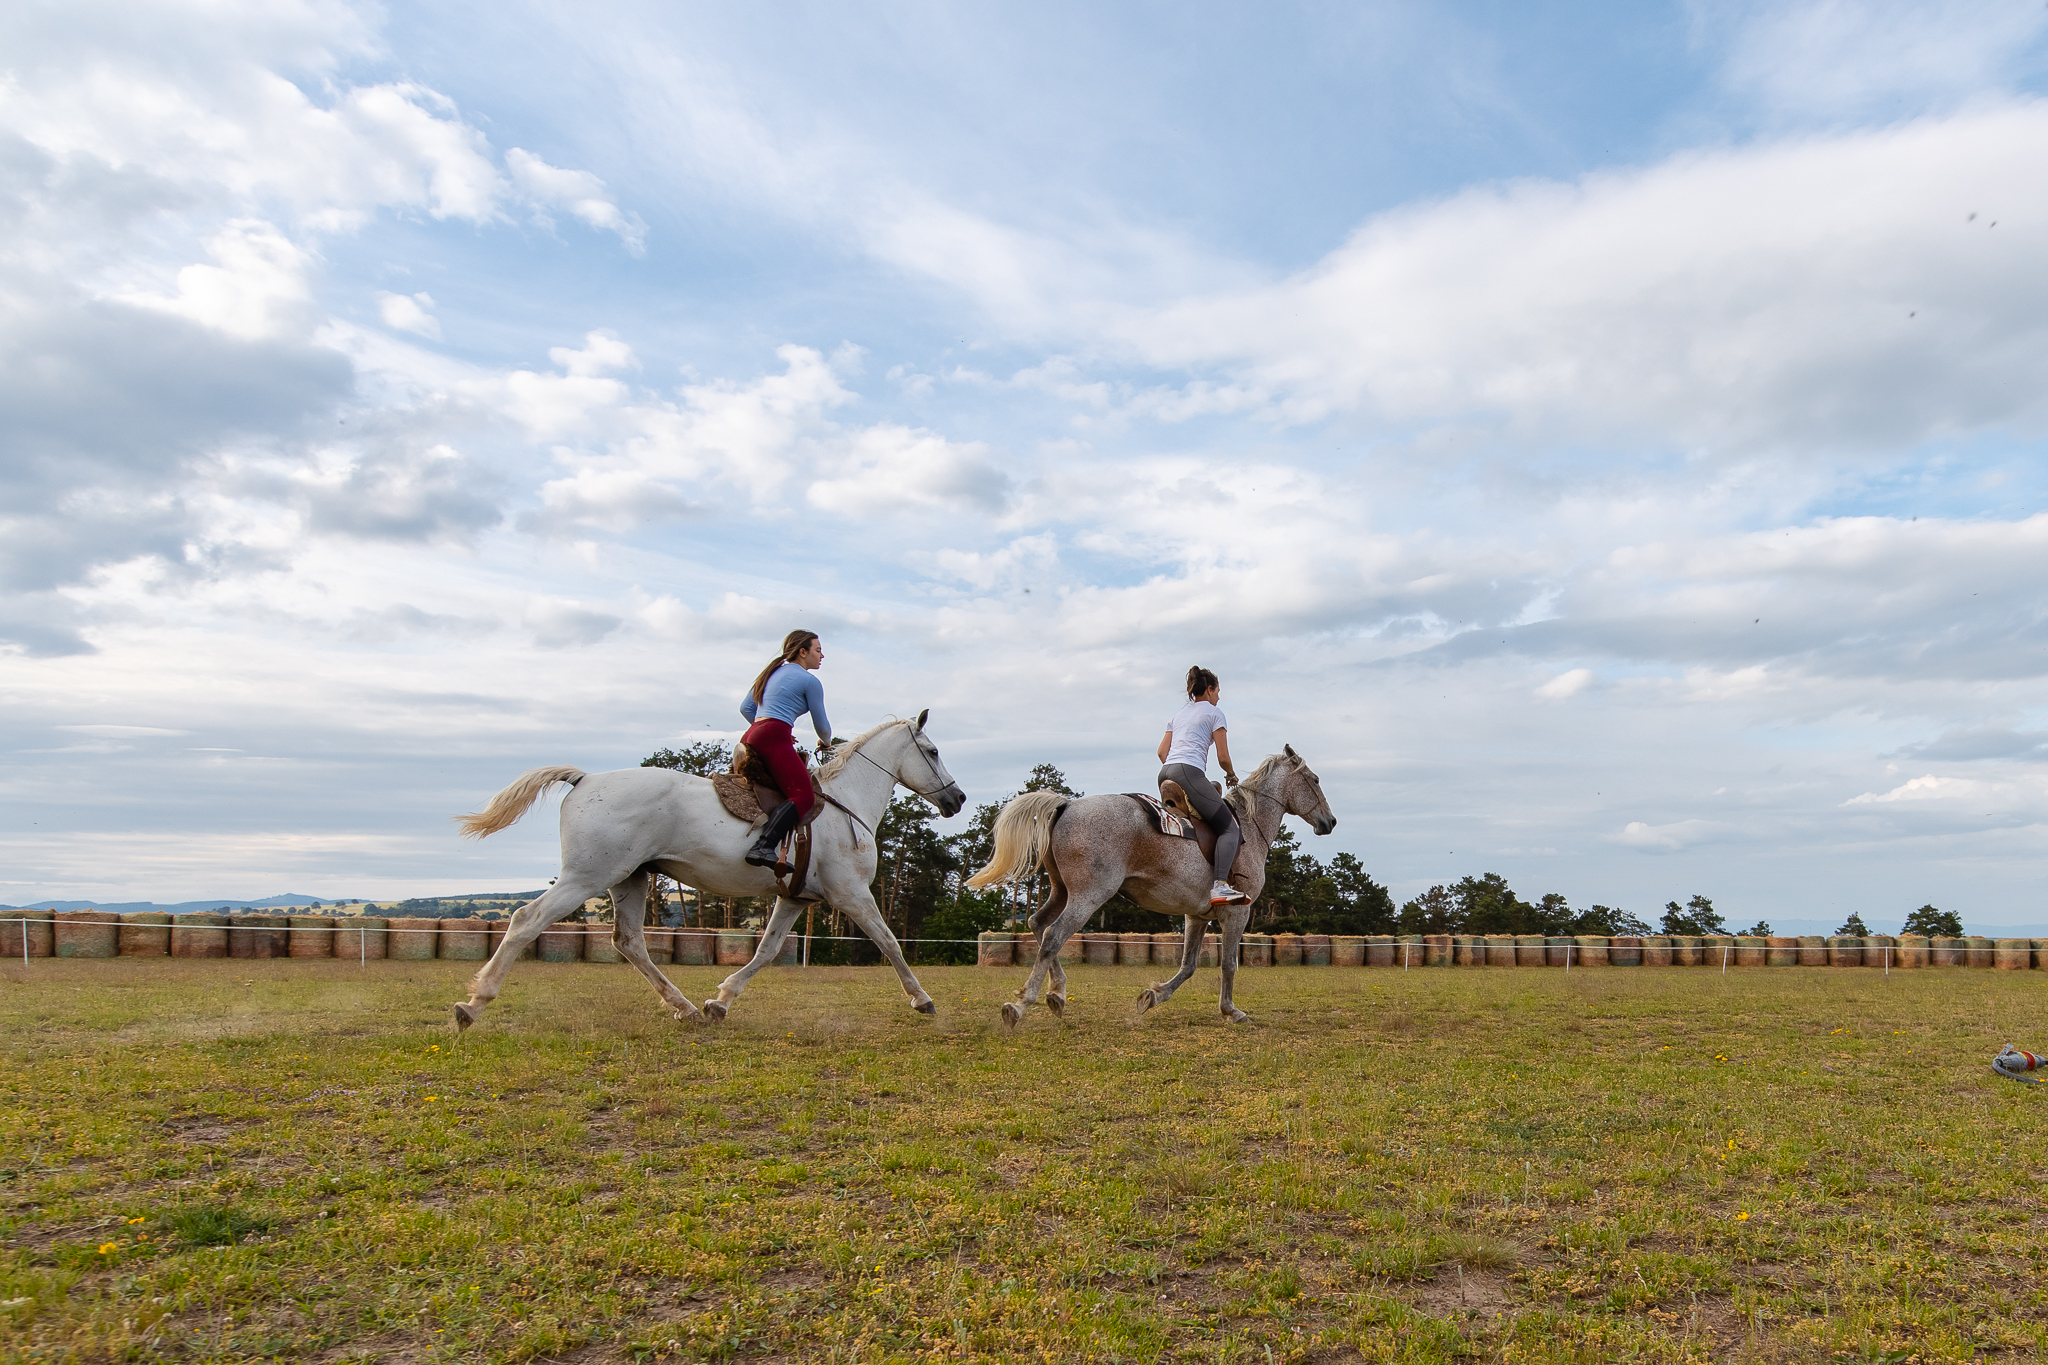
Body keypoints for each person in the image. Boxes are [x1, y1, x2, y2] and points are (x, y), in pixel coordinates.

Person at [738, 629, 833, 868]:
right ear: (803, 652)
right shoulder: (810, 681)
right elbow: (821, 725)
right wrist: (827, 742)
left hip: (752, 734)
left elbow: (746, 708)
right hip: (772, 735)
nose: (822, 656)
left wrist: (768, 726)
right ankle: (763, 847)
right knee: (803, 796)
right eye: (818, 650)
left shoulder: (770, 674)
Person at [1157, 665, 1249, 905]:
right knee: (1230, 829)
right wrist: (1231, 775)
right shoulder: (1215, 713)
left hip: (1165, 772)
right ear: (1209, 689)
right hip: (1189, 773)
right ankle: (1220, 886)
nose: (1219, 696)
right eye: (1218, 691)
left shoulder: (1178, 715)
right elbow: (1223, 758)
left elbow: (1161, 752)